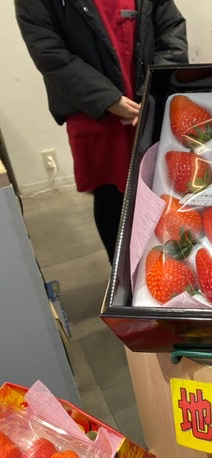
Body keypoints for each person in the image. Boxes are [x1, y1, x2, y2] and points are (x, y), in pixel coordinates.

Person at [15, 0, 188, 264]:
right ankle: (121, 275)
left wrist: (154, 91)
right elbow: (48, 51)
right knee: (111, 199)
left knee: (164, 189)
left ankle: (167, 271)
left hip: (150, 106)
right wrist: (108, 100)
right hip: (94, 113)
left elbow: (171, 29)